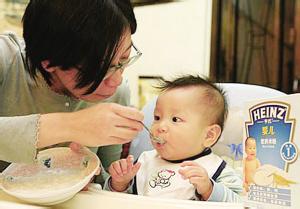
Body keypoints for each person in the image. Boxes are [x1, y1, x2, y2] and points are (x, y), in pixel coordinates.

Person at [0, 0, 144, 184]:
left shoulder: (118, 93)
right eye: (100, 68)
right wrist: (71, 125)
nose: (116, 80)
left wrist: (104, 180)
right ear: (49, 61)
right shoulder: (6, 60)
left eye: (124, 59)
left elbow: (107, 178)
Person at [104, 75, 243, 202]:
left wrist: (209, 189)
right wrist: (119, 184)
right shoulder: (142, 163)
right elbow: (116, 202)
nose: (160, 126)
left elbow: (240, 203)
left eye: (175, 119)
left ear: (209, 135)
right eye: (157, 118)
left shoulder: (217, 170)